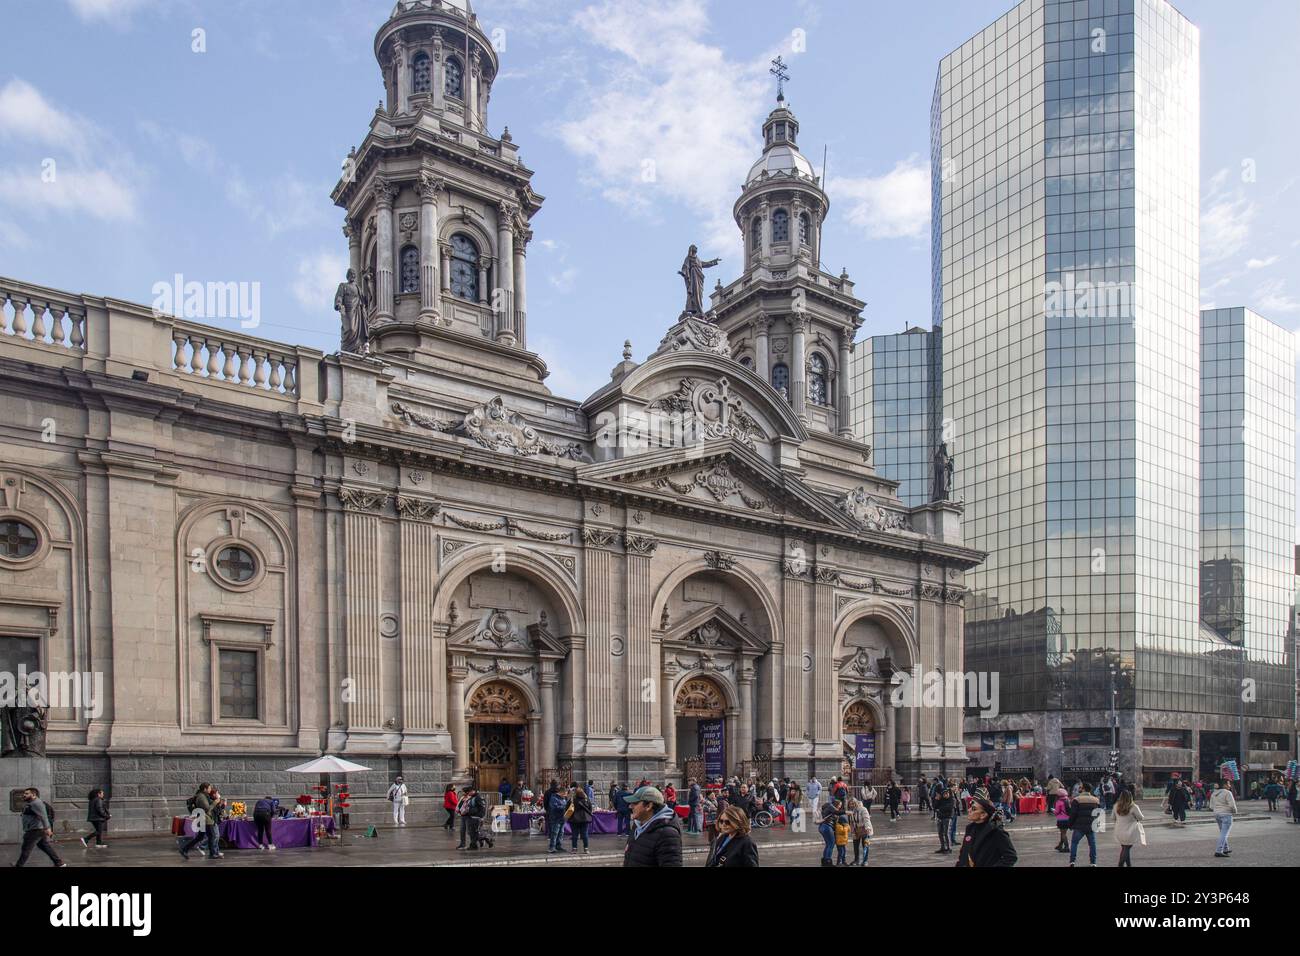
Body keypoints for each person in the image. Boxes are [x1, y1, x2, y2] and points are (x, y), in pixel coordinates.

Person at [623, 785, 682, 867]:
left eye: (635, 803)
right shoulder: (637, 825)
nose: (630, 806)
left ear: (648, 806)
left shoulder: (667, 834)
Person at [955, 796, 1017, 868]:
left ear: (983, 815)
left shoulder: (996, 832)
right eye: (970, 807)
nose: (969, 810)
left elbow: (1010, 857)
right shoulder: (970, 829)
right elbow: (964, 853)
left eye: (974, 809)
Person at [14, 788, 66, 868]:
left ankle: (19, 865)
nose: (24, 795)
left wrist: (48, 828)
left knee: (26, 849)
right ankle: (59, 863)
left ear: (34, 795)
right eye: (24, 793)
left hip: (35, 830)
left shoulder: (37, 803)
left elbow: (43, 816)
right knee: (45, 846)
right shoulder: (31, 803)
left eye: (27, 793)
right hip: (36, 829)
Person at [179, 783, 223, 860]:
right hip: (206, 820)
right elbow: (207, 809)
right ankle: (213, 854)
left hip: (204, 819)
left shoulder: (203, 795)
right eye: (209, 788)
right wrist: (216, 801)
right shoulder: (201, 797)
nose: (210, 789)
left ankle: (184, 849)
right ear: (205, 789)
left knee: (200, 837)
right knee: (212, 836)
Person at [1067, 782, 1102, 867]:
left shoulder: (1077, 800)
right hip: (1091, 826)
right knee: (1092, 844)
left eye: (1081, 787)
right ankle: (1093, 862)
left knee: (1074, 843)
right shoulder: (1096, 800)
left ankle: (1072, 862)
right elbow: (1098, 813)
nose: (1079, 788)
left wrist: (1070, 825)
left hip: (1079, 826)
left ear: (1083, 789)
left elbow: (1073, 814)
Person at [1112, 789, 1144, 867]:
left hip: (1119, 830)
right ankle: (1120, 864)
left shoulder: (1116, 806)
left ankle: (1129, 865)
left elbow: (1113, 818)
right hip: (1130, 831)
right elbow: (1141, 818)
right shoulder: (1133, 807)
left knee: (1125, 848)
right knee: (1127, 848)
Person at [1210, 780, 1237, 858]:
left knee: (1222, 832)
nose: (1229, 785)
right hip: (1226, 814)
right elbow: (1232, 805)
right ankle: (1219, 851)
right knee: (1224, 833)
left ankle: (1225, 848)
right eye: (1228, 784)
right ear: (1224, 785)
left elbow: (1211, 806)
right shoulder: (1227, 793)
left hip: (1217, 814)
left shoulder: (1214, 793)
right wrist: (1234, 811)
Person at [818, 797, 847, 867]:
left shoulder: (828, 808)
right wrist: (846, 812)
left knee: (828, 844)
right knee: (831, 844)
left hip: (823, 827)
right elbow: (837, 812)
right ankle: (828, 862)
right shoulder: (830, 806)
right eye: (840, 805)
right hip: (827, 827)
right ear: (836, 804)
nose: (840, 807)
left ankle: (825, 861)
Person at [464, 786, 492, 851]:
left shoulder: (478, 798)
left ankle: (474, 845)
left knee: (474, 832)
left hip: (476, 817)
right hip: (472, 817)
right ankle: (484, 840)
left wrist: (480, 816)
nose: (469, 792)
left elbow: (482, 808)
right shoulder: (473, 797)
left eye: (470, 791)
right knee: (472, 832)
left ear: (474, 791)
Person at [848, 797, 874, 866]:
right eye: (850, 804)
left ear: (856, 803)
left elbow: (866, 819)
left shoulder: (863, 809)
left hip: (864, 829)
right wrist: (852, 832)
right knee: (855, 846)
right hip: (856, 830)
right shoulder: (851, 811)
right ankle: (856, 860)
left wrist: (868, 828)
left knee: (865, 846)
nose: (851, 805)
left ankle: (865, 861)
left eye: (853, 803)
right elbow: (851, 822)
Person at [544, 780, 567, 853]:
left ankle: (558, 846)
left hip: (562, 818)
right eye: (565, 794)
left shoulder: (563, 798)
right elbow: (554, 807)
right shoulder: (553, 798)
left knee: (561, 832)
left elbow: (565, 805)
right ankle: (552, 847)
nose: (565, 795)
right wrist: (564, 808)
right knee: (554, 833)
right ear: (561, 792)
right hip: (555, 817)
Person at [934, 785, 956, 854]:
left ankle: (949, 848)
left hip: (947, 818)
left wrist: (940, 809)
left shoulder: (952, 799)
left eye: (947, 793)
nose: (946, 795)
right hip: (940, 818)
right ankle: (943, 847)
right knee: (940, 833)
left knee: (946, 833)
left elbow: (949, 808)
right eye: (944, 794)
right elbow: (935, 807)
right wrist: (937, 800)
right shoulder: (940, 799)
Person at [1052, 787, 1071, 852]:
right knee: (1063, 833)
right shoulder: (1068, 800)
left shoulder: (1059, 802)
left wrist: (1053, 810)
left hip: (1061, 820)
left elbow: (1057, 812)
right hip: (1068, 819)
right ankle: (1060, 845)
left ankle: (1067, 847)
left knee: (1063, 834)